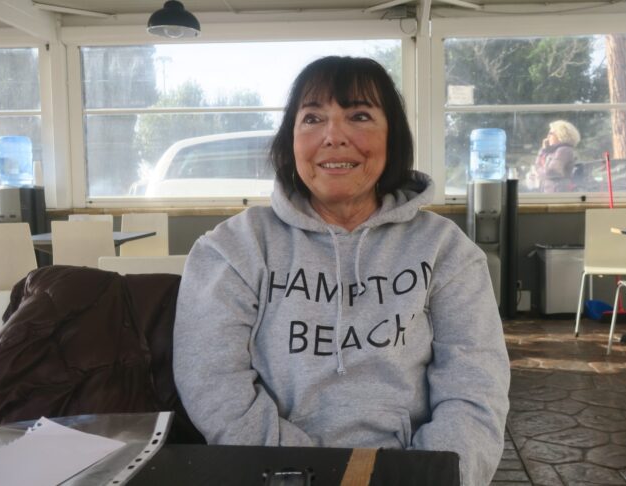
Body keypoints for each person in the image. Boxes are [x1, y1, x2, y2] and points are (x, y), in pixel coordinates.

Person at [173, 56, 510, 486]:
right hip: (275, 476)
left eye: (359, 116)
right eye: (313, 118)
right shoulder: (233, 248)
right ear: (290, 140)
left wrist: (425, 478)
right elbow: (214, 385)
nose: (333, 136)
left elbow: (475, 389)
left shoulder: (447, 250)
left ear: (392, 137)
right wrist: (305, 477)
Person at [533, 119, 580, 192]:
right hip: (550, 191)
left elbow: (551, 172)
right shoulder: (553, 151)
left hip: (557, 191)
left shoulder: (564, 150)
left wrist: (538, 172)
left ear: (560, 135)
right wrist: (543, 150)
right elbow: (537, 165)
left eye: (551, 133)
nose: (547, 136)